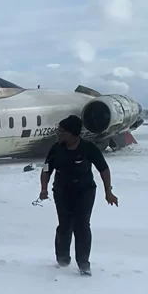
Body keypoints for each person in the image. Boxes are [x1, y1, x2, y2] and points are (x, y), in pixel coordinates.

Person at [39, 115, 118, 276]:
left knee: (82, 225)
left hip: (85, 191)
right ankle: (62, 258)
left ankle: (83, 263)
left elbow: (103, 169)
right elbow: (46, 169)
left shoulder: (88, 148)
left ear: (72, 134)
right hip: (62, 191)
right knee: (64, 225)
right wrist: (44, 188)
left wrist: (108, 191)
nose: (57, 134)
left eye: (61, 131)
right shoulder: (56, 148)